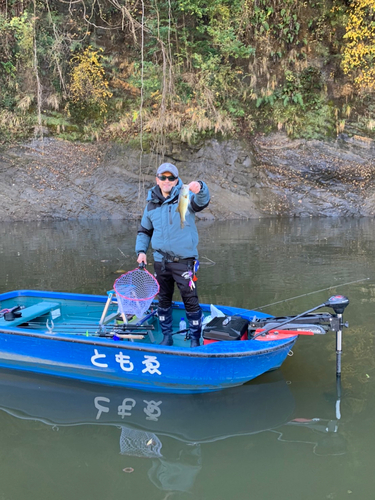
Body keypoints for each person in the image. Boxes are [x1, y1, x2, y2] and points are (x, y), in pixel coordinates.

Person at [136, 162, 210, 347]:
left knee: (190, 300)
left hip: (184, 261)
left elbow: (201, 201)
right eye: (163, 177)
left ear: (176, 180)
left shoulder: (185, 194)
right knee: (163, 299)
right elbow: (144, 230)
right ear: (157, 180)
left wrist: (200, 187)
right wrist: (141, 252)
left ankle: (194, 339)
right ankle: (167, 337)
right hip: (160, 261)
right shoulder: (151, 205)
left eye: (171, 178)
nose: (167, 181)